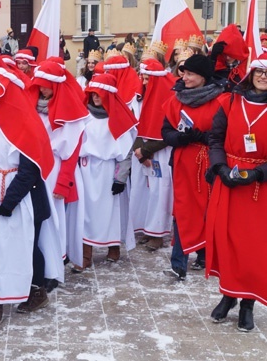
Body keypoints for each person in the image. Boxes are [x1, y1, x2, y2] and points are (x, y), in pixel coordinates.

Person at [0, 67, 53, 332]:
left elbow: (29, 171)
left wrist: (9, 202)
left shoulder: (26, 124)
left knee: (14, 250)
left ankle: (25, 292)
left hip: (17, 195)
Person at [205, 53, 267, 332]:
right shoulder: (230, 102)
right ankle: (228, 295)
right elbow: (215, 138)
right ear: (251, 73)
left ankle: (247, 304)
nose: (264, 77)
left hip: (258, 189)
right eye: (260, 72)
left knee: (252, 247)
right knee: (227, 241)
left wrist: (257, 174)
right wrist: (219, 168)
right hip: (228, 182)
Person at [161, 54, 223, 280]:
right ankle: (178, 264)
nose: (184, 77)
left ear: (203, 77)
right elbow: (165, 132)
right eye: (183, 72)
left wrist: (204, 138)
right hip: (182, 163)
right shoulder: (176, 100)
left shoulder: (221, 102)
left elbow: (226, 135)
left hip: (209, 162)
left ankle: (206, 254)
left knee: (207, 210)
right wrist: (181, 139)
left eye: (190, 73)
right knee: (183, 210)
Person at [30, 60, 88, 282]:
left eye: (46, 85)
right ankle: (38, 269)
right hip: (35, 169)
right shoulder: (34, 106)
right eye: (40, 84)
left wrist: (63, 183)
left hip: (53, 173)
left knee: (53, 222)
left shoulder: (70, 115)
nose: (42, 89)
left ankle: (53, 271)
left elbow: (71, 153)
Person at [77, 74, 138, 270]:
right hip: (86, 169)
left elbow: (126, 151)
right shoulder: (83, 116)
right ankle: (85, 254)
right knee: (84, 212)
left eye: (100, 94)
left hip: (107, 171)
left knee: (111, 211)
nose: (96, 98)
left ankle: (113, 246)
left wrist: (120, 178)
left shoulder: (117, 117)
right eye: (93, 94)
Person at [129, 58, 176, 251]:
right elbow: (135, 125)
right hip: (141, 152)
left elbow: (169, 131)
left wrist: (147, 151)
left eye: (147, 79)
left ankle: (157, 231)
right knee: (142, 190)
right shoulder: (140, 97)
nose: (144, 82)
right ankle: (145, 227)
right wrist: (140, 152)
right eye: (143, 78)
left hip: (160, 152)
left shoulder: (168, 100)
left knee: (159, 190)